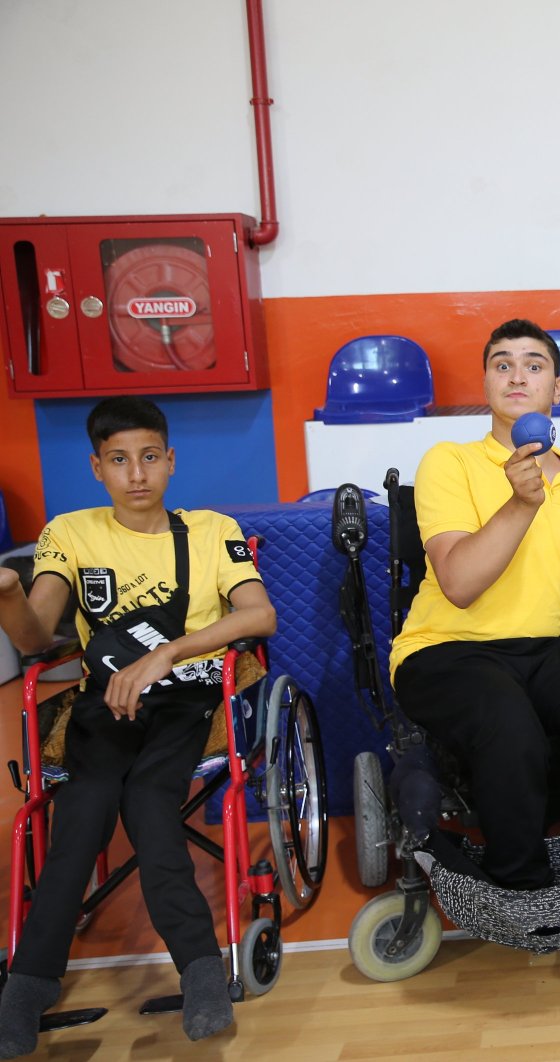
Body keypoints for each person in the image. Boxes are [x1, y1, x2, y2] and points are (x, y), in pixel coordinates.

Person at [0, 397, 276, 1054]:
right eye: (119, 460)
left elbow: (259, 616)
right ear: (97, 467)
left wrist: (170, 652)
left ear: (170, 460)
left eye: (149, 457)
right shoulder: (71, 534)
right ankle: (28, 983)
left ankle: (202, 971)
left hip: (186, 698)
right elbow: (37, 636)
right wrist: (9, 598)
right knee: (82, 811)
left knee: (150, 802)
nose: (137, 474)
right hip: (107, 702)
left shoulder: (212, 530)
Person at [389, 319, 560, 890]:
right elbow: (457, 582)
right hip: (447, 651)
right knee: (508, 721)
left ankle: (512, 811)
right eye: (501, 364)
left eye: (534, 365)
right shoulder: (448, 462)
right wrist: (519, 501)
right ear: (486, 382)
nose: (516, 376)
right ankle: (520, 880)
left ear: (555, 390)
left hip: (541, 651)